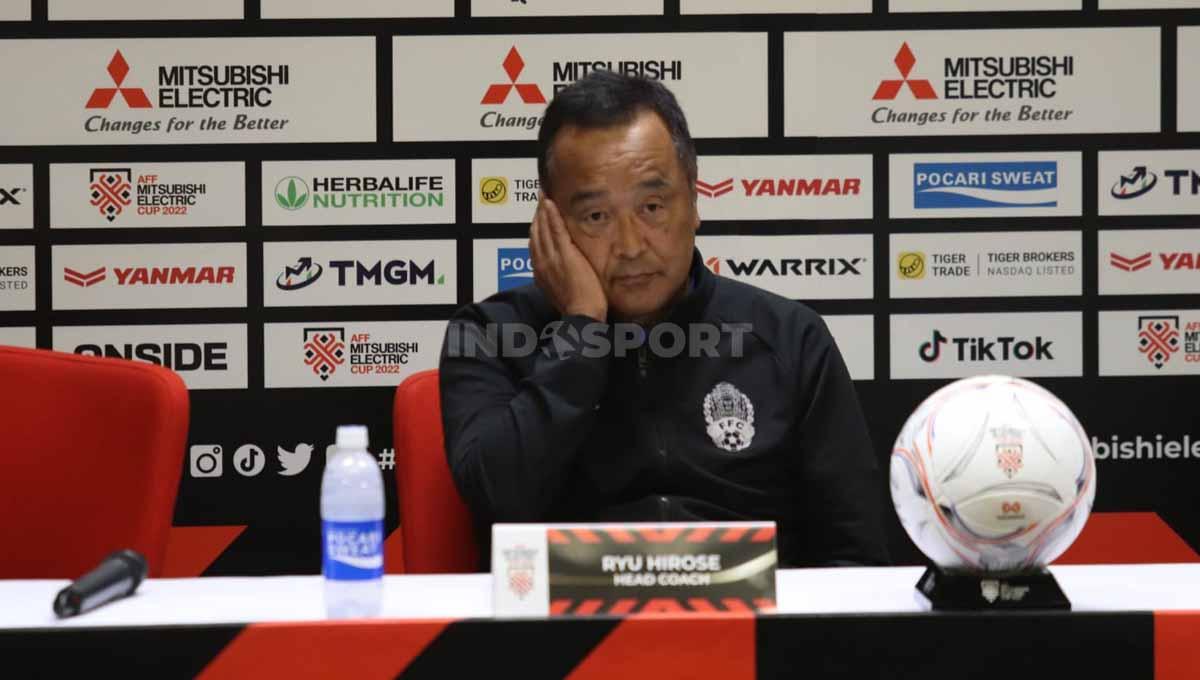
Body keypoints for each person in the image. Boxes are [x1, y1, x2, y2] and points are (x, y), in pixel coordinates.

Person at [439, 70, 889, 568]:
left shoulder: (788, 337)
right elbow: (496, 499)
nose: (631, 246)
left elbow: (856, 556)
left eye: (652, 206)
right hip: (565, 636)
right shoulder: (491, 336)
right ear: (551, 223)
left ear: (695, 200)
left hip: (753, 634)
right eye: (596, 217)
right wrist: (582, 327)